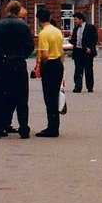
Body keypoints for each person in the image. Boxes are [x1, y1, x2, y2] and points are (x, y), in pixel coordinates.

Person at [0, 1, 33, 139]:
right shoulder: (24, 26)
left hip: (1, 65)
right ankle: (24, 129)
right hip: (18, 64)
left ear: (7, 11)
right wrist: (21, 56)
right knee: (22, 99)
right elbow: (30, 46)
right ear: (18, 12)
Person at [33, 7, 66, 138]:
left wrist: (41, 66)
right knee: (55, 96)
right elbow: (62, 52)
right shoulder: (57, 31)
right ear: (50, 17)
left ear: (38, 20)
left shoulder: (43, 34)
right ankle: (54, 125)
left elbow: (45, 54)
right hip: (58, 63)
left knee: (49, 98)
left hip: (50, 65)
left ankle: (51, 128)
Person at [70, 11, 98, 93]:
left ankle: (90, 87)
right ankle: (77, 87)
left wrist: (91, 48)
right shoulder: (76, 28)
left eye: (76, 19)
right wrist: (71, 40)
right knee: (78, 70)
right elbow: (74, 41)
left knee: (88, 70)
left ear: (81, 19)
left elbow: (94, 39)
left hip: (87, 51)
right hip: (78, 51)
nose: (74, 21)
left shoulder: (90, 27)